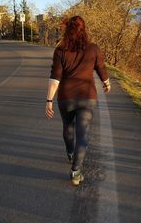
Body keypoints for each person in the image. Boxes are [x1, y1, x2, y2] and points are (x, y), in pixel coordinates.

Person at [45, 15, 111, 186]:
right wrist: (106, 82)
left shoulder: (60, 50)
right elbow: (101, 67)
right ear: (84, 30)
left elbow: (55, 77)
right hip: (87, 97)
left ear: (67, 30)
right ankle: (76, 172)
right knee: (83, 135)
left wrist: (49, 100)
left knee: (68, 126)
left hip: (66, 97)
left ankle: (70, 153)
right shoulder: (93, 48)